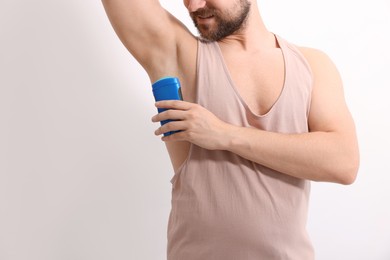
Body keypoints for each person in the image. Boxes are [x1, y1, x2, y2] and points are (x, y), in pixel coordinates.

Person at [101, 0, 360, 259]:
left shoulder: (312, 65)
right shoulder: (182, 55)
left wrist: (224, 134)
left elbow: (344, 162)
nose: (194, 6)